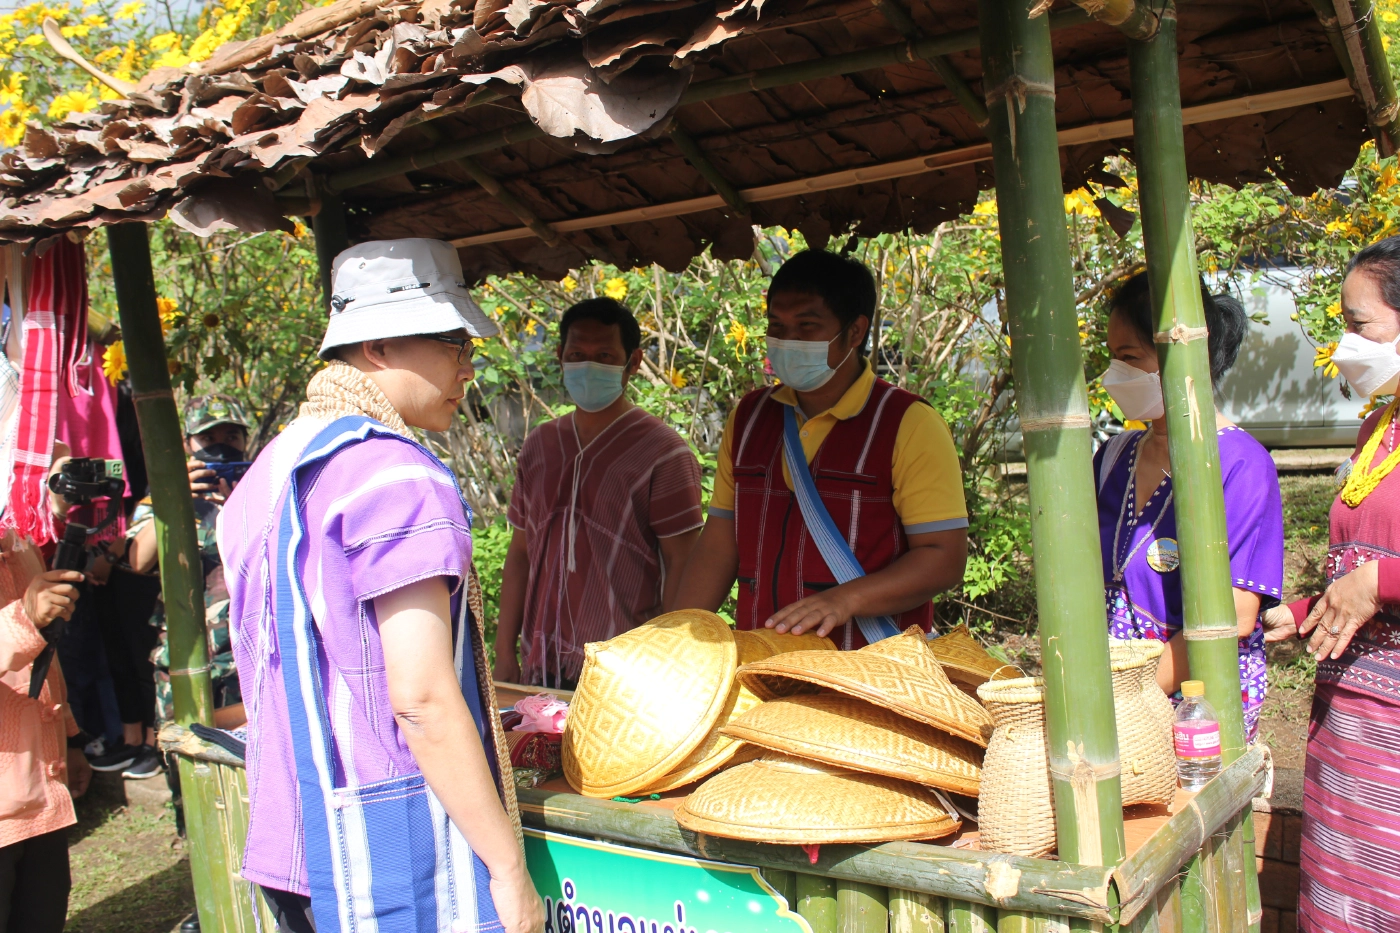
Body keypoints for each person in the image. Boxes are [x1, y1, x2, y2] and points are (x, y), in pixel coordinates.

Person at [219, 238, 543, 933]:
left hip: (287, 841)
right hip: (387, 855)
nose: (466, 368)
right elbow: (422, 699)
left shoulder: (267, 473)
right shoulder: (396, 475)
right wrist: (509, 868)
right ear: (377, 346)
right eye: (452, 344)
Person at [673, 249, 969, 648]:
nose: (787, 340)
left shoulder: (908, 423)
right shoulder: (748, 418)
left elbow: (943, 556)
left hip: (868, 671)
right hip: (763, 661)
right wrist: (677, 639)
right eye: (777, 326)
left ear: (855, 331)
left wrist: (846, 599)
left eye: (807, 327)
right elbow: (719, 543)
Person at [1258, 236, 1400, 931]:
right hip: (1352, 736)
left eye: (1358, 323)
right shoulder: (1380, 426)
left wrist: (1383, 581)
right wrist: (1313, 607)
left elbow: (1382, 572)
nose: (1344, 343)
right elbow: (1362, 564)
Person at [1093, 271, 1282, 741]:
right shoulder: (1113, 456)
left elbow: (1235, 614)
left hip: (1191, 703)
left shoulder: (1240, 465)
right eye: (1112, 358)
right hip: (1110, 695)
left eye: (1129, 359)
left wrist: (1130, 700)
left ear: (1182, 354)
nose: (1114, 375)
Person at [493, 298, 704, 689]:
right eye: (577, 354)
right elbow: (520, 553)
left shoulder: (663, 452)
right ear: (560, 356)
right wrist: (504, 652)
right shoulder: (540, 445)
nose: (589, 365)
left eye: (605, 355)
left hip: (626, 666)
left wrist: (670, 660)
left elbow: (682, 563)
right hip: (540, 661)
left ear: (634, 362)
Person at [87, 395, 252, 780]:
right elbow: (138, 559)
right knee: (186, 759)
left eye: (232, 434)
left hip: (248, 652)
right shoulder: (168, 493)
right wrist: (175, 498)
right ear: (188, 443)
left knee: (245, 763)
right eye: (208, 437)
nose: (222, 444)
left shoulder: (262, 486)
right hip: (185, 654)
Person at [0, 528, 91, 932]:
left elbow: (46, 661)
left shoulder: (18, 543)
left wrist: (71, 738)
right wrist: (23, 619)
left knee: (42, 914)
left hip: (38, 797)